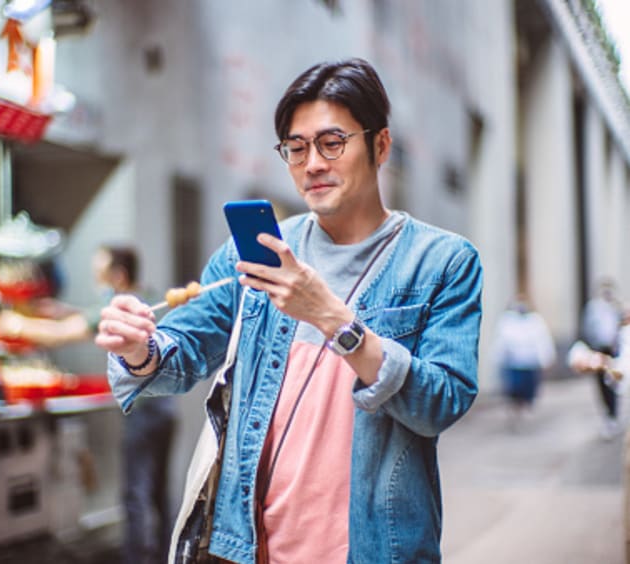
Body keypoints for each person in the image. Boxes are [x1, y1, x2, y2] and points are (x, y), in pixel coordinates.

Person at [97, 58, 483, 563]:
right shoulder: (255, 252)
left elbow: (443, 402)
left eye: (332, 143)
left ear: (380, 145)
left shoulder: (442, 261)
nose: (312, 164)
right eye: (296, 148)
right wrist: (140, 350)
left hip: (377, 548)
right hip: (251, 548)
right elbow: (181, 355)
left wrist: (335, 321)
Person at [0, 245, 178, 564]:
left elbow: (60, 335)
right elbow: (89, 314)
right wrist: (64, 309)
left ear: (118, 276)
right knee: (158, 493)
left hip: (143, 414)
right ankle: (169, 557)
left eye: (100, 275)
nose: (98, 282)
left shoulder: (120, 308)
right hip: (165, 411)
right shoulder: (149, 297)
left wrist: (16, 324)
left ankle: (136, 559)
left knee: (134, 494)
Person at [491, 294, 556, 424]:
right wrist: (498, 358)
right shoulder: (507, 321)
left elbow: (542, 341)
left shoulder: (535, 321)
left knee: (528, 389)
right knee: (514, 390)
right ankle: (515, 409)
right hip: (513, 363)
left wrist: (546, 359)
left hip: (530, 363)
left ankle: (525, 407)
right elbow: (501, 342)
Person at [579, 277, 623, 437]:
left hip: (614, 351)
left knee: (614, 383)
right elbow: (588, 328)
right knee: (602, 384)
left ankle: (614, 414)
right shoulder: (594, 308)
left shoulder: (615, 308)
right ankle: (609, 414)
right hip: (599, 350)